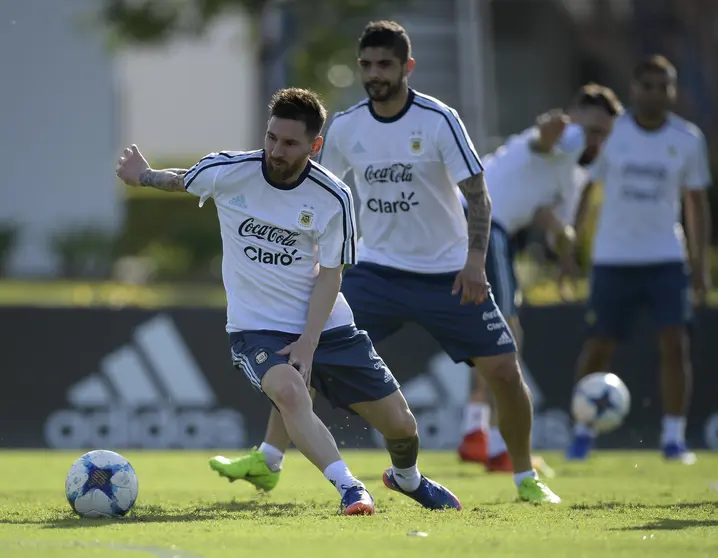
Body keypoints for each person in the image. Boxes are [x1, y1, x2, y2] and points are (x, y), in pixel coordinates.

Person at [211, 20, 560, 504]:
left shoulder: (439, 121)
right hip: (376, 272)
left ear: (407, 67)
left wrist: (475, 260)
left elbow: (478, 197)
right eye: (367, 65)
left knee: (504, 369)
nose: (375, 74)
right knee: (301, 345)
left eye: (385, 65)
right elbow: (313, 196)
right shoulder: (348, 127)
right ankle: (269, 460)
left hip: (448, 274)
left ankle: (525, 477)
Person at [115, 87, 462, 515]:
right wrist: (142, 175)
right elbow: (181, 180)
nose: (276, 151)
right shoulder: (230, 170)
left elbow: (331, 274)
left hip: (328, 326)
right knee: (291, 393)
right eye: (272, 138)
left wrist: (308, 342)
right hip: (255, 328)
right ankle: (351, 488)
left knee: (402, 427)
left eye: (291, 143)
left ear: (315, 146)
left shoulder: (333, 196)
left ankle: (407, 479)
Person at [459, 85, 623, 471]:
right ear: (573, 117)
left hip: (479, 224)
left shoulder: (573, 175)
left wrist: (565, 244)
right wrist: (554, 129)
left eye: (603, 134)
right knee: (506, 335)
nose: (594, 140)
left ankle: (475, 433)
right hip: (482, 223)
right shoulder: (565, 139)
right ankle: (501, 447)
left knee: (488, 334)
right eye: (591, 130)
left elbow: (551, 222)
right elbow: (547, 139)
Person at [566, 55, 712, 463]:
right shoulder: (615, 134)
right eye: (647, 85)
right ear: (634, 89)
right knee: (598, 346)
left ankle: (673, 438)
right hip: (613, 259)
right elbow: (587, 191)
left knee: (675, 344)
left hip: (666, 258)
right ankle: (582, 430)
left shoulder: (687, 139)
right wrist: (572, 248)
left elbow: (697, 205)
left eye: (662, 85)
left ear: (673, 90)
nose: (654, 93)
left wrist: (700, 268)